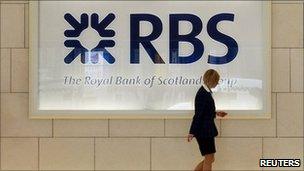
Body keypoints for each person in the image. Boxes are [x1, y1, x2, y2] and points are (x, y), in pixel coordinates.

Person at [187, 69, 228, 171]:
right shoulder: (202, 94)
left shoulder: (206, 92)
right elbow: (198, 115)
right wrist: (192, 132)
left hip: (206, 130)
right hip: (203, 131)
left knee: (210, 158)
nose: (217, 83)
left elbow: (204, 112)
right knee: (209, 158)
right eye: (216, 80)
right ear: (212, 80)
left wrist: (216, 113)